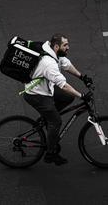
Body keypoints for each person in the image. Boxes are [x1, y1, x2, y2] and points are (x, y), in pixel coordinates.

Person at [23, 33, 93, 166]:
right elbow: (64, 85)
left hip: (46, 89)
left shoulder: (52, 52)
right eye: (65, 45)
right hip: (36, 94)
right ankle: (50, 154)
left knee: (68, 97)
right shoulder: (49, 63)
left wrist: (82, 77)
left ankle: (47, 118)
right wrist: (82, 95)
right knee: (56, 121)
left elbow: (66, 64)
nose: (68, 47)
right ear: (56, 46)